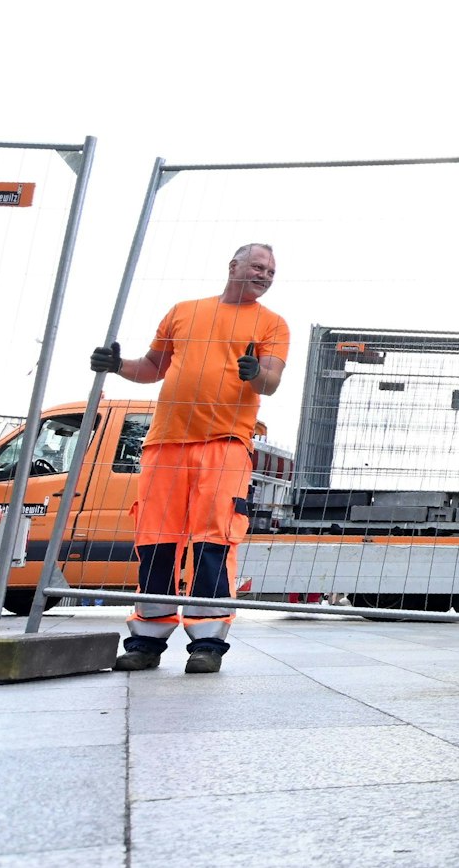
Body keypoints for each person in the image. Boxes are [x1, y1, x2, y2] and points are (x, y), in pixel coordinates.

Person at [91, 244, 289, 674]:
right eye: (258, 266)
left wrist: (255, 373)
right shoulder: (183, 311)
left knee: (212, 539)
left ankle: (206, 642)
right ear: (233, 266)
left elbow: (271, 382)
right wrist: (115, 364)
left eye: (271, 271)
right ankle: (146, 638)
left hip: (227, 444)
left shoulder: (272, 324)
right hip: (166, 444)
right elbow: (150, 367)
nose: (265, 275)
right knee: (156, 539)